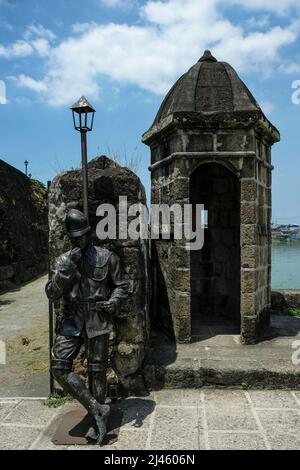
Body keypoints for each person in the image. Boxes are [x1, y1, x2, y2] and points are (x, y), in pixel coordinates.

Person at [45, 209, 127, 444]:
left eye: (82, 236)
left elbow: (121, 285)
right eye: (74, 237)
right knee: (59, 367)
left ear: (89, 233)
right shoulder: (62, 261)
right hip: (72, 320)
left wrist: (113, 301)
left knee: (97, 370)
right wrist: (65, 270)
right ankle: (96, 408)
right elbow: (51, 293)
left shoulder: (106, 257)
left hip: (97, 318)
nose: (78, 241)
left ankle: (96, 421)